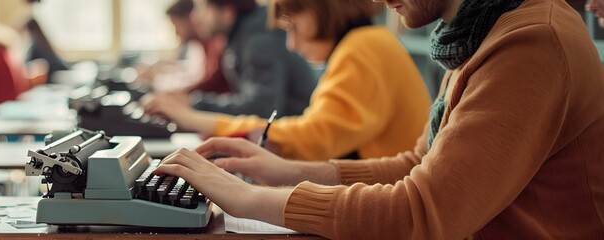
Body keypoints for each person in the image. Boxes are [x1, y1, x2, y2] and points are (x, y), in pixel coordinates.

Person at [154, 0, 604, 238]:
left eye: (293, 25)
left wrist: (246, 198)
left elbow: (424, 212)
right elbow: (418, 165)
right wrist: (285, 172)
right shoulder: (479, 36)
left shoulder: (531, 41)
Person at [144, 1, 430, 160]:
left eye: (293, 27)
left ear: (322, 9)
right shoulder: (365, 43)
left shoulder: (362, 48)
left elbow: (311, 139)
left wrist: (195, 118)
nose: (290, 45)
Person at [143, 0, 316, 118]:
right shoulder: (243, 35)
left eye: (203, 7)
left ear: (227, 11)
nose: (196, 17)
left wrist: (193, 104)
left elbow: (260, 108)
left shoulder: (258, 41)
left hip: (295, 145)